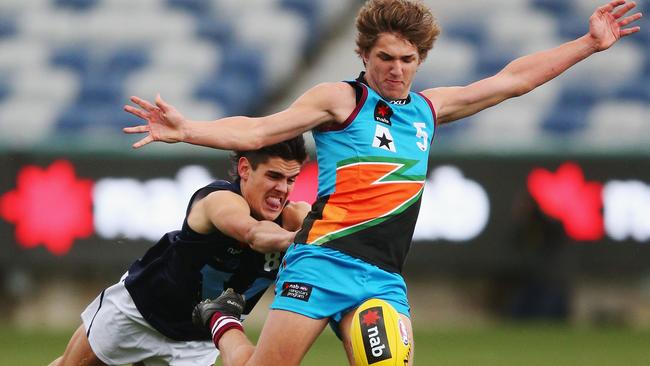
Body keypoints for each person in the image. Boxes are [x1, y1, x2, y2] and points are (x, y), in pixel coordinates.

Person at [123, 0, 642, 364]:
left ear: (421, 58)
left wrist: (588, 45)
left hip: (383, 278)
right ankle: (223, 323)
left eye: (407, 59)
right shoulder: (340, 101)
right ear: (364, 57)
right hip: (321, 261)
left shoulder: (429, 109)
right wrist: (187, 128)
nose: (396, 70)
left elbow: (511, 80)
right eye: (385, 58)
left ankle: (220, 318)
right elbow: (260, 129)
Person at [50, 136, 309, 366]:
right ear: (244, 169)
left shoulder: (296, 216)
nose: (283, 189)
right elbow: (253, 234)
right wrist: (301, 239)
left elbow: (336, 237)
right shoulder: (219, 200)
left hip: (197, 341)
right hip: (140, 312)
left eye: (291, 180)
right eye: (273, 176)